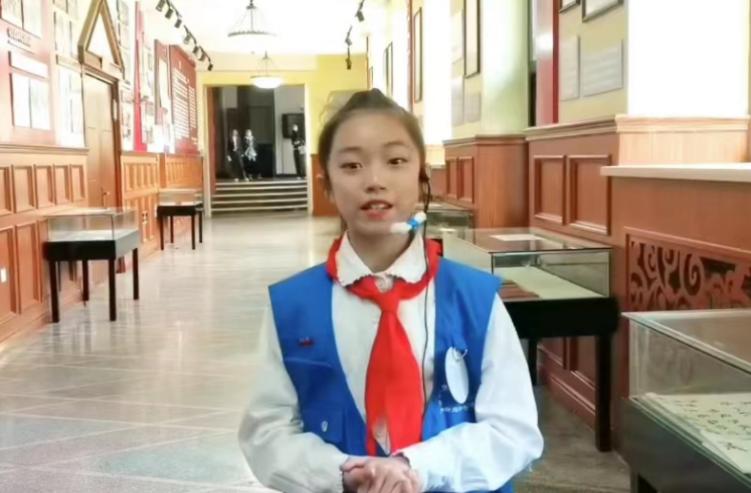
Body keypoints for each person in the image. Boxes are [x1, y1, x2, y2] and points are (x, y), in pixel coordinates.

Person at [239, 89, 543, 493]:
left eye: (395, 161)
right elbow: (266, 432)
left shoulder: (476, 299)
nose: (375, 181)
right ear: (326, 184)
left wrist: (416, 468)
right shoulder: (291, 306)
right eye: (351, 165)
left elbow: (513, 430)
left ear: (422, 177)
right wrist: (340, 471)